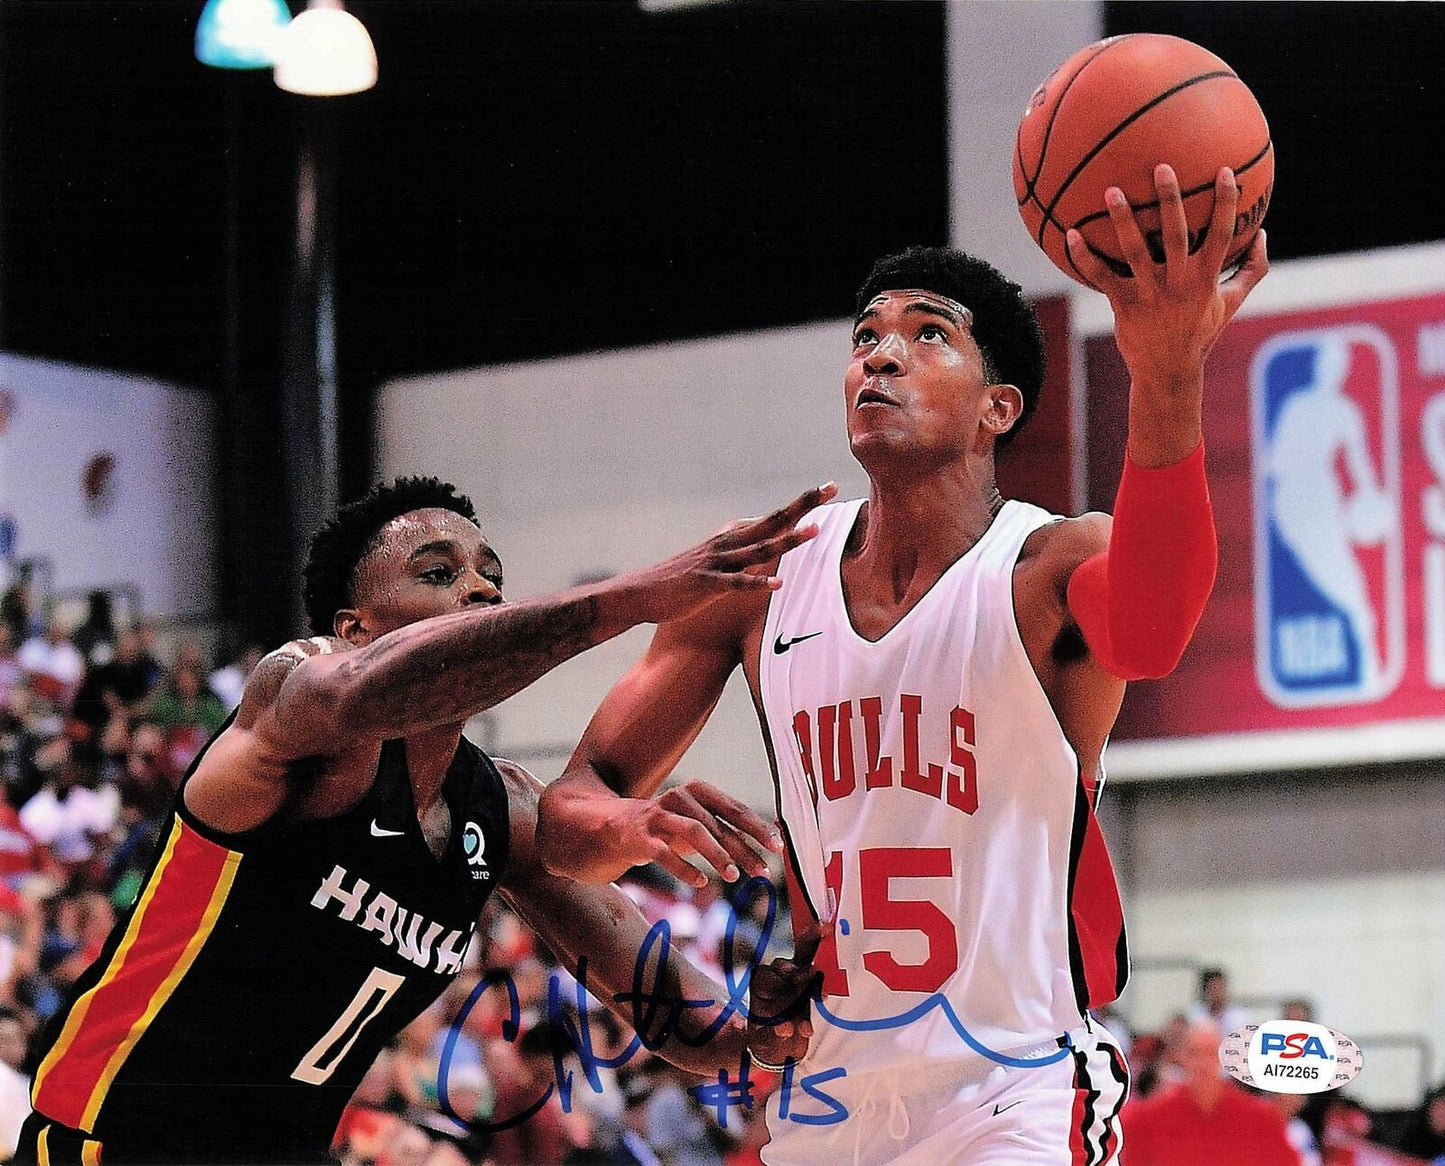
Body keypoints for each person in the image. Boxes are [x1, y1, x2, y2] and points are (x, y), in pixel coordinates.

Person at [537, 166, 1268, 1164]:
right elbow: (564, 823)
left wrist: (1168, 379)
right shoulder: (755, 576)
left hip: (1013, 1080)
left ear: (996, 408)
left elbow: (1151, 630)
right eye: (866, 335)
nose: (881, 353)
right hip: (829, 1085)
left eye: (928, 333)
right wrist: (627, 820)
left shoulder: (1045, 565)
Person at [16, 476, 827, 1164]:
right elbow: (358, 694)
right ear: (351, 629)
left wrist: (764, 1025)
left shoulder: (498, 809)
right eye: (437, 573)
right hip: (111, 1137)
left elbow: (672, 1015)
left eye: (490, 576)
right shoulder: (293, 695)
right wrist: (625, 599)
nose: (478, 589)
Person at [1122, 1020, 1300, 1166]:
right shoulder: (1147, 1120)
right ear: (1182, 1057)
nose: (1202, 1063)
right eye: (1195, 1053)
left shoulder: (1261, 1118)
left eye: (1209, 1053)